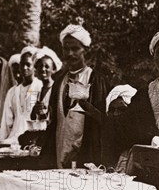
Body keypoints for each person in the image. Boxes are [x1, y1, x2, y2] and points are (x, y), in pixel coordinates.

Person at [43, 24, 110, 168]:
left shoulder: (96, 80)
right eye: (66, 49)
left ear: (86, 50)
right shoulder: (59, 81)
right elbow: (55, 119)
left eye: (75, 49)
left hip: (86, 155)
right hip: (59, 151)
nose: (70, 54)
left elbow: (101, 122)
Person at [0, 50, 43, 142]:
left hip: (33, 138)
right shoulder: (12, 92)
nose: (24, 68)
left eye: (28, 64)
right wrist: (2, 141)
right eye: (22, 64)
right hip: (14, 138)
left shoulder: (40, 87)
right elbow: (6, 122)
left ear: (34, 66)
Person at [31, 46, 62, 121]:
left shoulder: (58, 89)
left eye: (47, 66)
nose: (43, 69)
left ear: (53, 69)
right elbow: (34, 118)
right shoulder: (39, 90)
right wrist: (34, 110)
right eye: (40, 66)